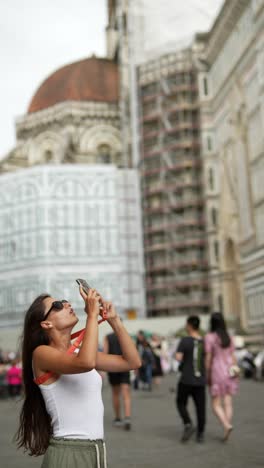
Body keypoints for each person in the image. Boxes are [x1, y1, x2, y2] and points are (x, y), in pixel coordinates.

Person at [16, 287, 141, 467]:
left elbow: (132, 362)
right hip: (68, 453)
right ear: (46, 324)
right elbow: (86, 363)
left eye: (64, 301)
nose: (66, 303)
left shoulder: (78, 353)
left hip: (95, 451)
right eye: (57, 305)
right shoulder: (42, 354)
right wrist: (92, 315)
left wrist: (115, 322)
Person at [205, 312, 239, 441]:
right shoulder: (229, 337)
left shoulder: (209, 337)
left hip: (217, 370)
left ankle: (226, 425)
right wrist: (236, 370)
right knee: (228, 402)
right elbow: (233, 356)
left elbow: (208, 357)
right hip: (230, 369)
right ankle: (227, 427)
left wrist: (207, 372)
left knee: (215, 404)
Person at [175, 316, 206, 443]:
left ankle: (188, 423)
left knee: (180, 402)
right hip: (200, 379)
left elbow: (178, 357)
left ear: (189, 325)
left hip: (186, 378)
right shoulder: (204, 341)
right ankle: (200, 434)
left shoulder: (185, 340)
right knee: (200, 407)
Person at [103, 331, 132, 430]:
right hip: (125, 365)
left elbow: (105, 353)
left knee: (115, 393)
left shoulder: (108, 337)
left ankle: (118, 418)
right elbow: (131, 351)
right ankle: (127, 417)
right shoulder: (125, 335)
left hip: (113, 366)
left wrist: (103, 369)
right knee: (126, 393)